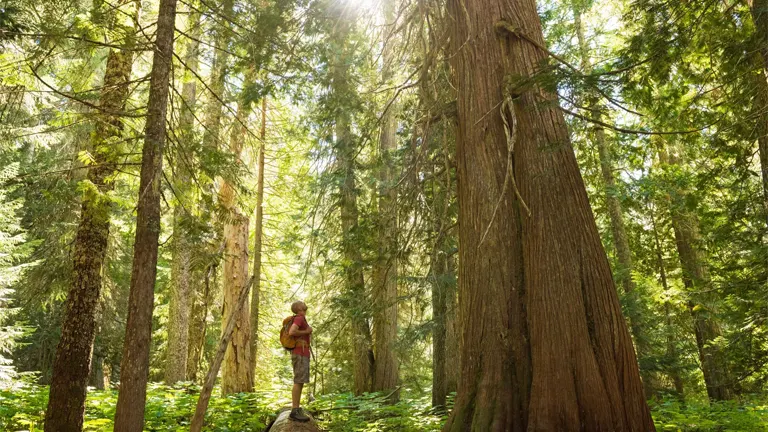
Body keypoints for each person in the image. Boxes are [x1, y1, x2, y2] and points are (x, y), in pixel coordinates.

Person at [288, 300, 312, 422]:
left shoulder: (300, 318)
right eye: (303, 306)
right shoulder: (299, 318)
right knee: (298, 380)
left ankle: (296, 409)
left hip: (301, 352)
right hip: (300, 353)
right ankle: (294, 410)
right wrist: (306, 331)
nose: (305, 308)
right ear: (299, 309)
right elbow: (292, 331)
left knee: (300, 380)